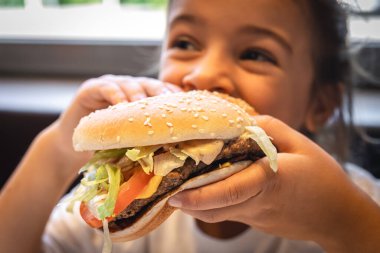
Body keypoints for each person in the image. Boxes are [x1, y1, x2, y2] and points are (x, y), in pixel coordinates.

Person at [1, 0, 380, 252]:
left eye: (254, 54)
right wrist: (57, 150)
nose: (204, 74)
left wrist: (342, 222)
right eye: (185, 43)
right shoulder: (123, 203)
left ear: (320, 104)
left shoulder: (351, 201)